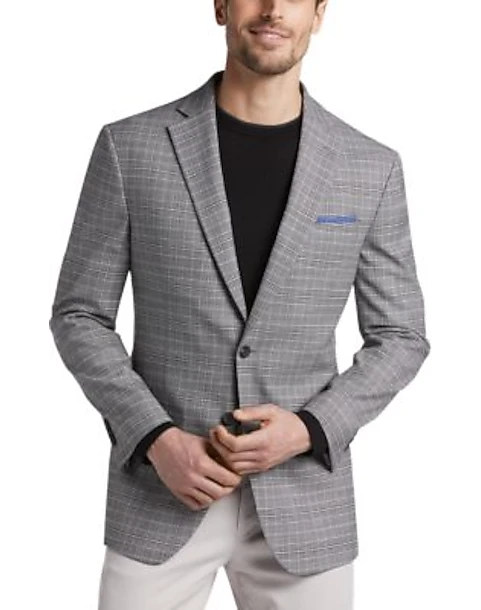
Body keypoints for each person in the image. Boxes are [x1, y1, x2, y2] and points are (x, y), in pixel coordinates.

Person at [49, 0, 430, 608]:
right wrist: (155, 436)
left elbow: (402, 336)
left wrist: (309, 429)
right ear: (221, 6)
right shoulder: (131, 147)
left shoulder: (370, 167)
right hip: (162, 491)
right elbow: (79, 315)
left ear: (319, 14)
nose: (273, 9)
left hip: (305, 500)